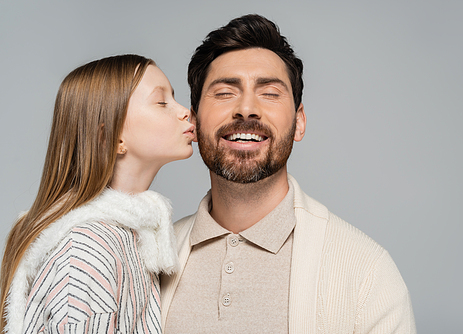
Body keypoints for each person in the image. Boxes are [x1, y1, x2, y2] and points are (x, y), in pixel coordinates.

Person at [161, 14, 417, 333]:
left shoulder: (366, 273)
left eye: (269, 92)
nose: (246, 108)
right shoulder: (147, 262)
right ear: (194, 122)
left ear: (299, 123)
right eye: (225, 92)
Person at [0, 54, 195, 333]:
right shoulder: (89, 248)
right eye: (162, 102)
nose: (185, 111)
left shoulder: (135, 236)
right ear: (112, 138)